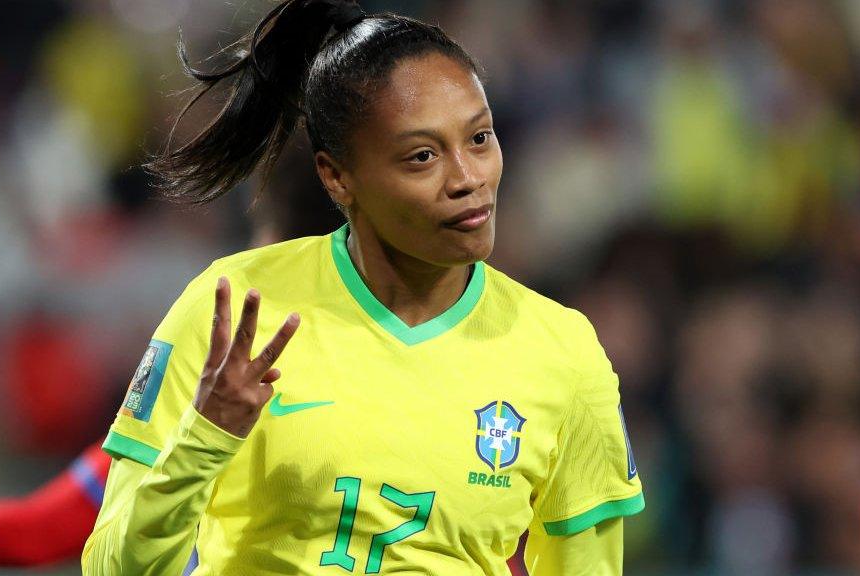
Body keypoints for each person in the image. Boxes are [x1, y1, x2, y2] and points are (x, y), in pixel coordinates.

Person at [82, 1, 644, 574]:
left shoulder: (564, 354)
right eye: (423, 156)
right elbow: (111, 569)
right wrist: (203, 440)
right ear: (337, 176)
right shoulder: (232, 310)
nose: (468, 179)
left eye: (479, 138)